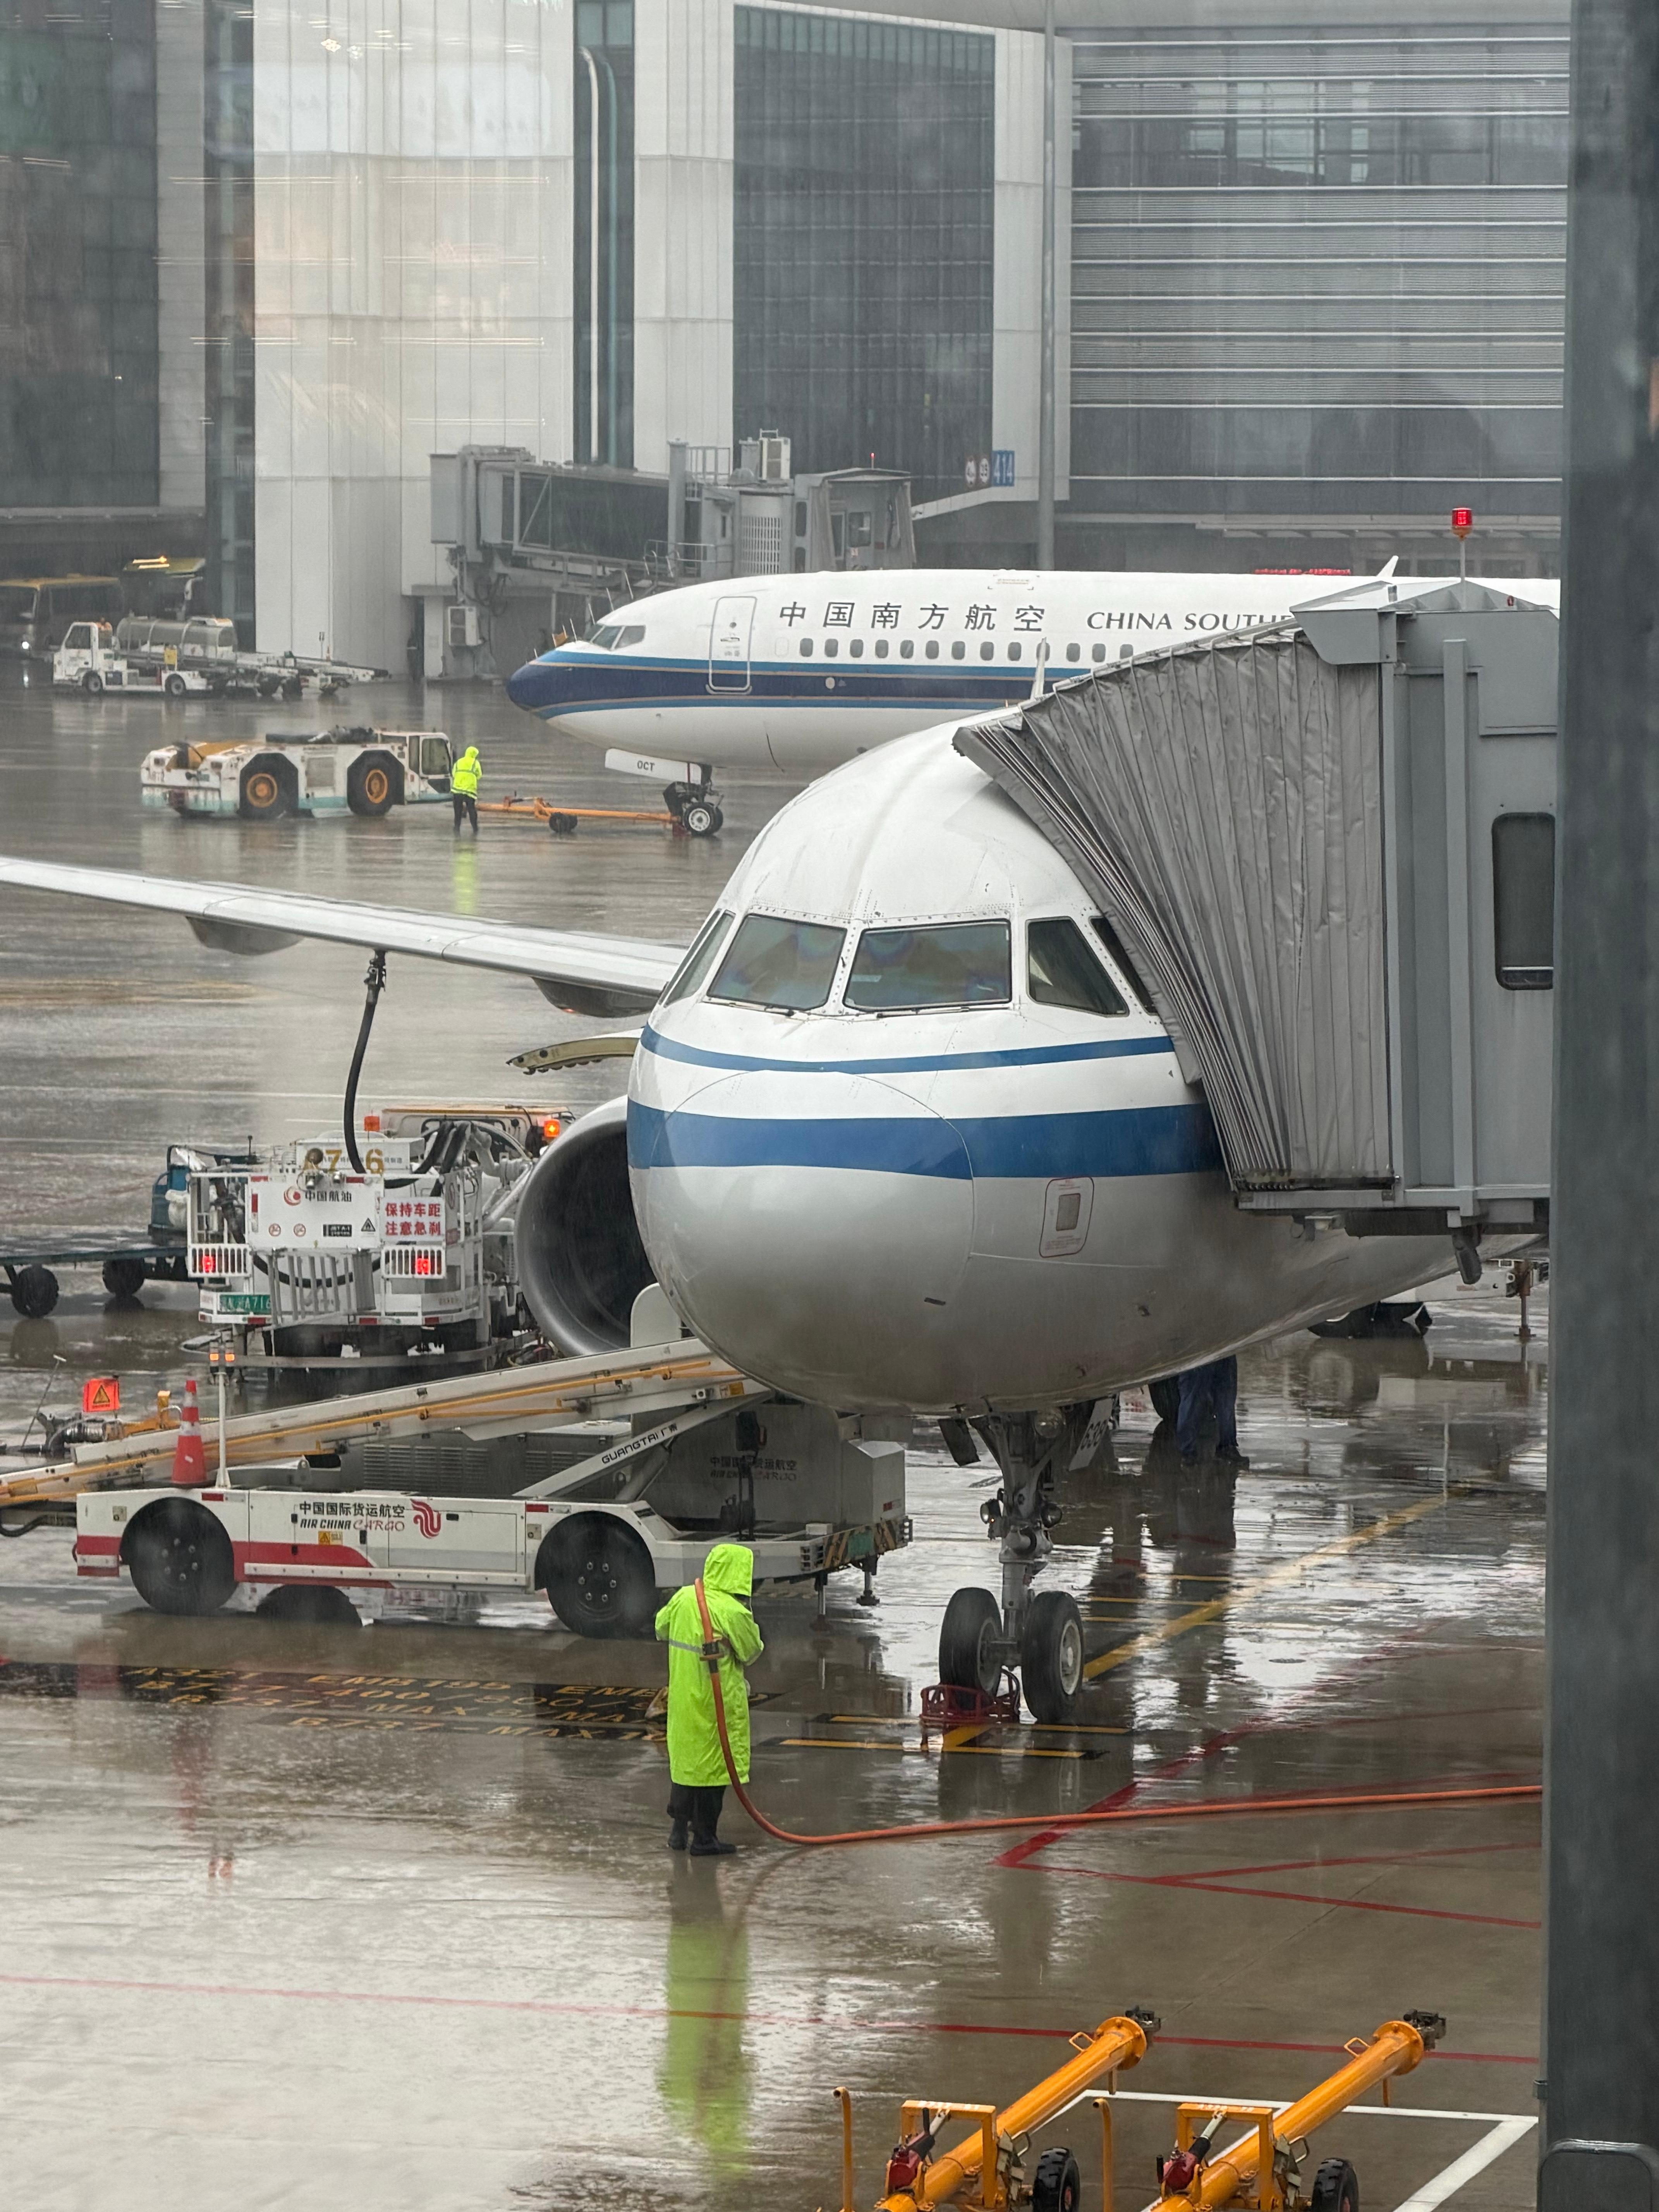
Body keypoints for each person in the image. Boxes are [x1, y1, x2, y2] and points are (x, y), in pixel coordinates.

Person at [655, 1542, 763, 1856]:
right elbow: (752, 1651)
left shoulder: (684, 1598)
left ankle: (678, 1833)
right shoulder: (734, 1612)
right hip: (716, 1705)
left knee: (686, 1768)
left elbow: (661, 1627)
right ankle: (704, 1839)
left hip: (684, 1700)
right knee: (714, 1772)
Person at [1175, 1355, 1248, 1467]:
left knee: (1226, 1401)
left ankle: (1227, 1448)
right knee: (1192, 1400)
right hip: (1197, 1349)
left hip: (1224, 1350)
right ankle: (1187, 1454)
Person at [450, 743, 481, 832]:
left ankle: (457, 828)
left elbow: (453, 774)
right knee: (472, 809)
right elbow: (479, 775)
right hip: (470, 791)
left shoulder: (459, 762)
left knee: (457, 811)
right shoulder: (475, 763)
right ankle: (475, 828)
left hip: (457, 790)